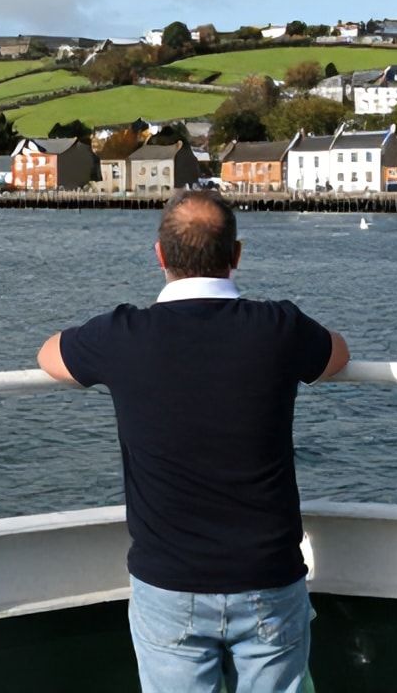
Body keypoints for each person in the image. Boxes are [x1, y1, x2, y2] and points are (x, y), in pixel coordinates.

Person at [37, 190, 350, 693]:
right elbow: (337, 353)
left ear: (160, 255)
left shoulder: (122, 335)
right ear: (236, 255)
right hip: (268, 575)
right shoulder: (279, 327)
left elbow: (49, 355)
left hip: (169, 582)